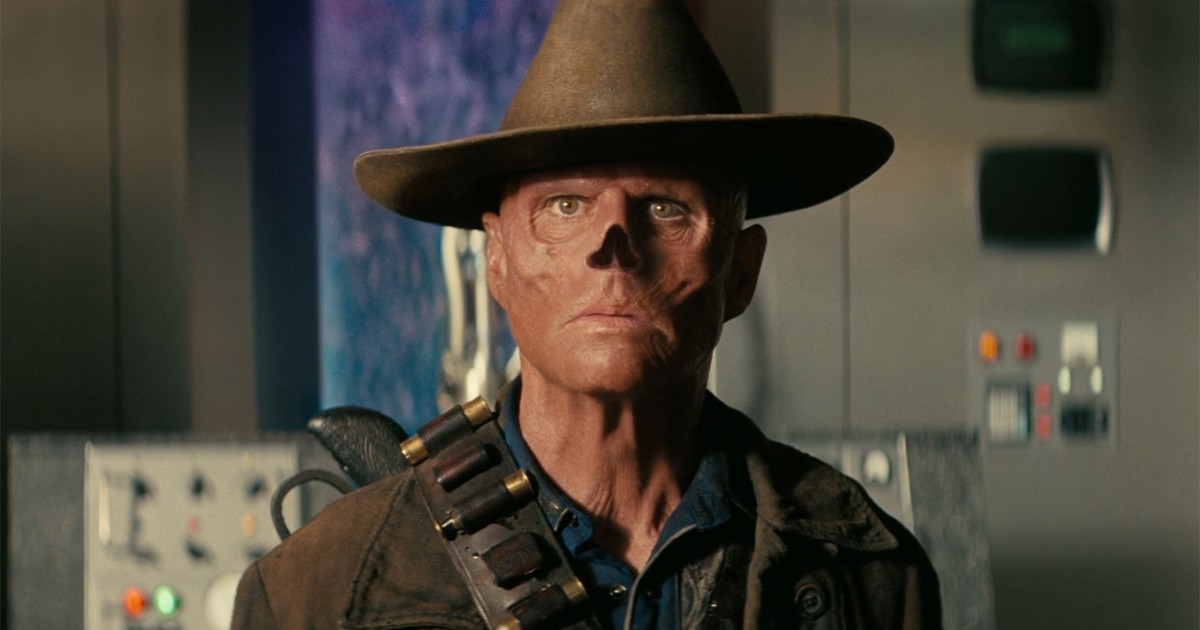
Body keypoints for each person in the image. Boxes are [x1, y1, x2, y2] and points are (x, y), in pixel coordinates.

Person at [233, 1, 941, 628]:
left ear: (741, 273)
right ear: (498, 261)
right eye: (565, 206)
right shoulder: (316, 591)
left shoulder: (868, 575)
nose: (613, 245)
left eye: (665, 207)